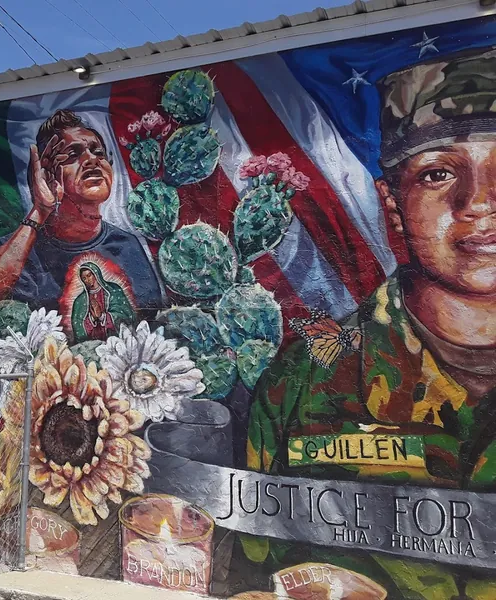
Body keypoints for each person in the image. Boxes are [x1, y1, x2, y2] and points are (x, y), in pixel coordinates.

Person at [246, 47, 496, 599]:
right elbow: (248, 559)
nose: (478, 202)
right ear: (391, 207)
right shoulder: (305, 382)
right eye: (437, 173)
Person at [0, 109, 163, 318]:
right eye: (73, 155)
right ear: (45, 176)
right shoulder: (18, 252)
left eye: (98, 152)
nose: (92, 160)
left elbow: (152, 321)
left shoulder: (127, 246)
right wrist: (40, 210)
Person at [71, 262, 134, 343]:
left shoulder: (113, 290)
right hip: (93, 343)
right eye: (84, 278)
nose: (87, 280)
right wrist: (92, 318)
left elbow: (125, 315)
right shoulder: (79, 301)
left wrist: (102, 316)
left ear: (96, 274)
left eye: (89, 275)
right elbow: (78, 326)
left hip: (115, 341)